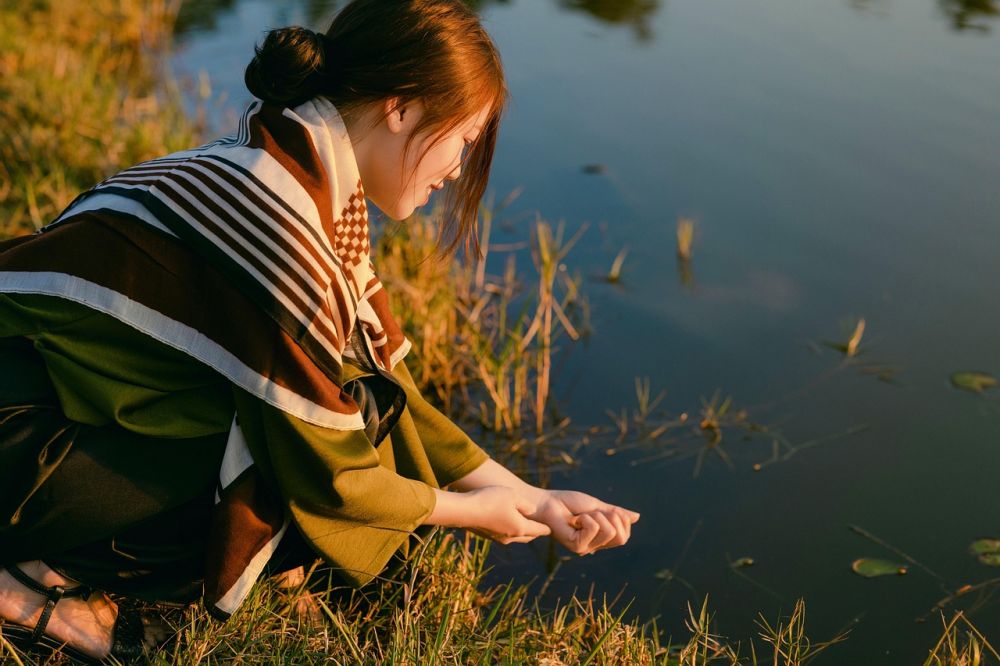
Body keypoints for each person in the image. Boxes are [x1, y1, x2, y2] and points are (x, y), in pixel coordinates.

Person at [0, 0, 639, 662]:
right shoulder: (280, 217)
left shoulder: (299, 170)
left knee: (338, 403)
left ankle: (71, 562)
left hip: (36, 418)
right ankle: (30, 583)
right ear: (404, 109)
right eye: (466, 140)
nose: (455, 173)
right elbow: (333, 475)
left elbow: (391, 391)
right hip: (15, 434)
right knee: (280, 452)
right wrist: (478, 515)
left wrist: (535, 497)